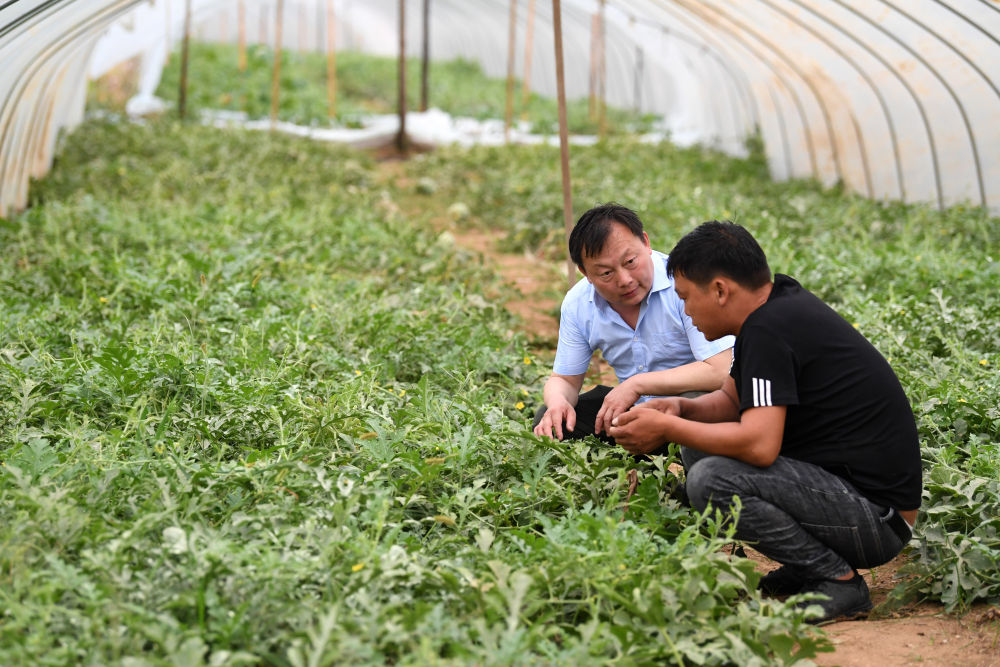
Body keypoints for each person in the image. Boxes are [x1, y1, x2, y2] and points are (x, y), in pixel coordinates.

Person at [608, 220, 922, 624]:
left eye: (686, 298)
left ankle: (837, 580)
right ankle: (808, 566)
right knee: (698, 446)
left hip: (877, 520)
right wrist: (679, 409)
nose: (686, 310)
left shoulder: (770, 330)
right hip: (851, 499)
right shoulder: (773, 310)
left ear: (720, 290)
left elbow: (759, 446)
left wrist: (666, 429)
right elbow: (730, 401)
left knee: (710, 480)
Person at [532, 203, 734, 442]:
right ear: (585, 273)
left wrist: (637, 384)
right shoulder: (578, 303)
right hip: (632, 408)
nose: (624, 280)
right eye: (606, 273)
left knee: (697, 412)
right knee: (552, 420)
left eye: (630, 262)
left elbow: (721, 370)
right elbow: (564, 379)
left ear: (646, 243)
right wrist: (558, 402)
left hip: (690, 404)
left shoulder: (685, 284)